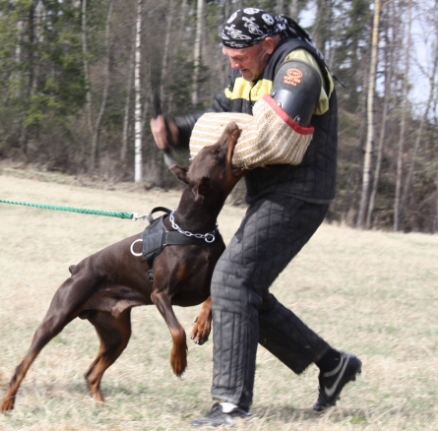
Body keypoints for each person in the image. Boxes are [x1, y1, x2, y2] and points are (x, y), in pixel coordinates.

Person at [150, 8, 361, 427]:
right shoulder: (250, 70)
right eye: (228, 55)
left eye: (239, 55)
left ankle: (231, 406)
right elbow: (219, 115)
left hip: (300, 195)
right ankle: (332, 364)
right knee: (242, 290)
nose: (232, 64)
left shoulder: (298, 66)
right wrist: (178, 130)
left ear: (267, 44)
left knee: (230, 281)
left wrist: (221, 132)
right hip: (269, 194)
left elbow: (275, 135)